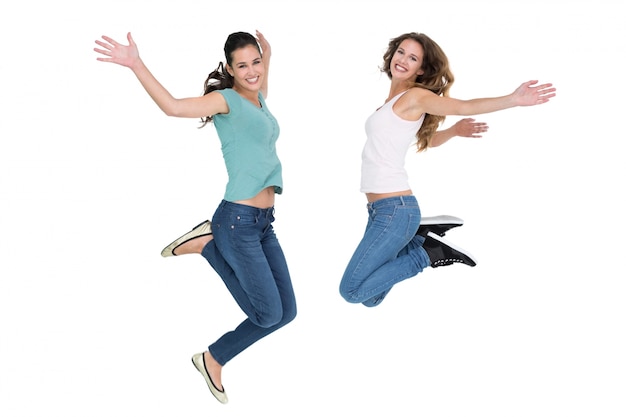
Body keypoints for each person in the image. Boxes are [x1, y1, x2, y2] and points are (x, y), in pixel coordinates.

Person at [94, 30, 296, 404]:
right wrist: (136, 63)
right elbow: (171, 106)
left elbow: (260, 81)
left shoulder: (259, 100)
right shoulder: (226, 100)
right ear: (230, 71)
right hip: (236, 222)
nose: (252, 71)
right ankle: (209, 247)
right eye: (243, 65)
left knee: (286, 314)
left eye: (256, 62)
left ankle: (212, 358)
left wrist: (269, 56)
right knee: (268, 314)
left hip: (264, 223)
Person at [339, 32, 556, 307]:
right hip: (381, 210)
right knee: (371, 298)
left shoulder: (415, 97)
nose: (403, 59)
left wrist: (512, 99)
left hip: (395, 209)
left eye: (413, 57)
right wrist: (453, 132)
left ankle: (428, 254)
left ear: (422, 69)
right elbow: (424, 140)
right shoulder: (390, 104)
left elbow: (463, 106)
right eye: (401, 52)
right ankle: (418, 240)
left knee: (352, 291)